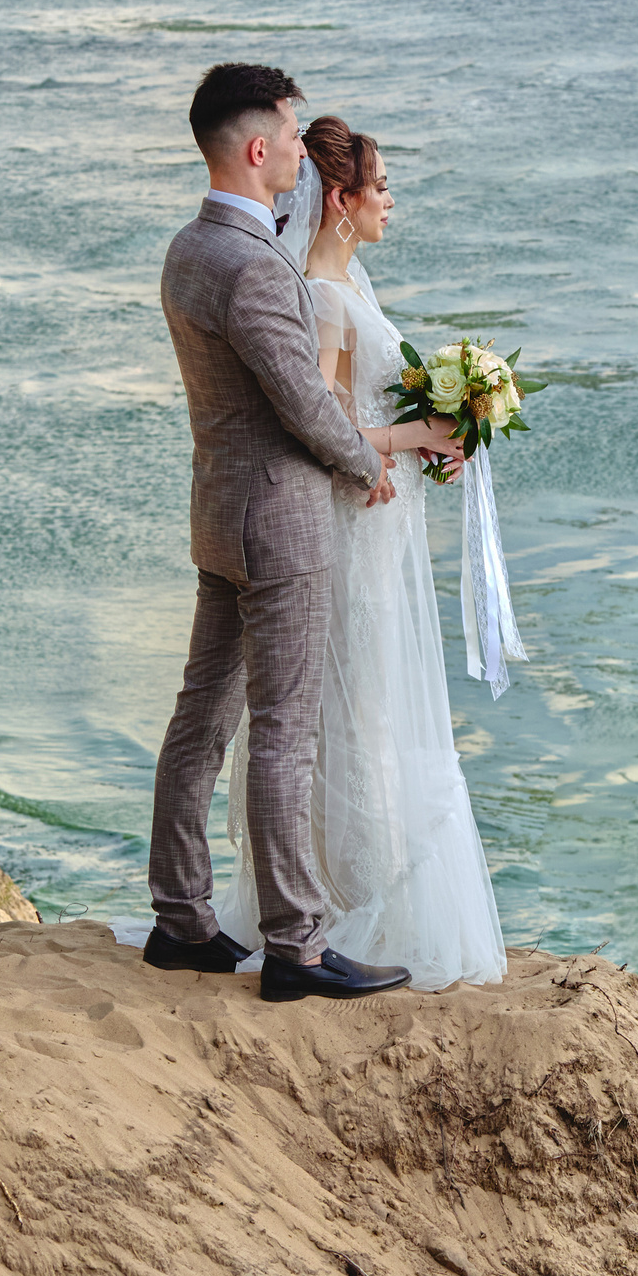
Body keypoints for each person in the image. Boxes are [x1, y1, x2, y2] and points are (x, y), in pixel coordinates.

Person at [144, 64, 453, 1002]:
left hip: (219, 512)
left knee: (202, 717)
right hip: (279, 523)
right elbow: (307, 405)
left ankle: (180, 918)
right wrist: (369, 464)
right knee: (284, 731)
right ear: (256, 149)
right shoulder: (253, 266)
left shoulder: (188, 248)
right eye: (286, 131)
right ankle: (297, 946)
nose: (297, 148)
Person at [206, 117, 509, 991]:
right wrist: (417, 433)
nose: (390, 201)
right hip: (348, 531)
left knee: (369, 707)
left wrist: (431, 445)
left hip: (380, 524)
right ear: (341, 199)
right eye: (381, 187)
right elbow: (326, 430)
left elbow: (359, 425)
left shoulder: (349, 285)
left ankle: (345, 893)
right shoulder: (323, 297)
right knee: (354, 710)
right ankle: (344, 902)